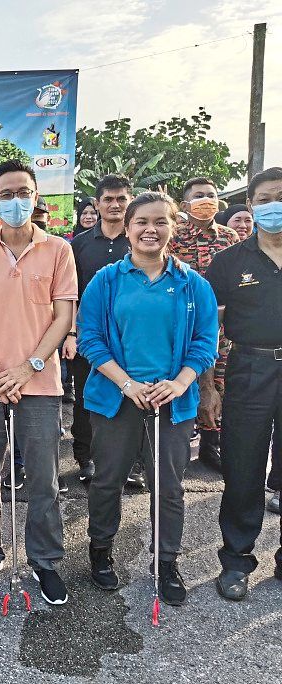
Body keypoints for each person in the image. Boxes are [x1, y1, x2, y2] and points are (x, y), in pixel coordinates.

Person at [78, 191, 218, 607]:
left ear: (174, 227)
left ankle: (166, 560)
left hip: (172, 401)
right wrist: (127, 384)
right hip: (116, 397)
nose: (150, 230)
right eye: (141, 222)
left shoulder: (193, 284)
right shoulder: (106, 280)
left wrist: (179, 383)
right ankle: (100, 551)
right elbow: (91, 339)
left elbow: (205, 343)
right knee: (107, 481)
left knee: (169, 487)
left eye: (161, 222)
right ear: (128, 227)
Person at [0, 159, 76, 605]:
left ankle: (44, 562)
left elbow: (62, 317)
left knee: (43, 480)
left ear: (37, 196)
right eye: (5, 194)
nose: (15, 201)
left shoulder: (59, 250)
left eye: (22, 192)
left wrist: (27, 369)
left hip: (40, 386)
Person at [205, 166, 282, 600]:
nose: (274, 206)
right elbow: (206, 327)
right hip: (249, 369)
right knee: (244, 468)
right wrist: (207, 387)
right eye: (266, 199)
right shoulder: (230, 261)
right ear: (251, 206)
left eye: (281, 196)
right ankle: (236, 561)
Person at [66, 175, 136, 485]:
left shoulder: (139, 239)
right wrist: (71, 333)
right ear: (97, 204)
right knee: (85, 399)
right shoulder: (79, 244)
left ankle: (129, 463)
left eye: (121, 199)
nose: (115, 205)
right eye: (108, 199)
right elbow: (69, 294)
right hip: (89, 337)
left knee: (130, 397)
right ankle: (86, 457)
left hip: (131, 337)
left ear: (129, 202)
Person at [168, 177, 239, 472]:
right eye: (199, 195)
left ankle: (212, 444)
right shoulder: (173, 236)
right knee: (181, 379)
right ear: (185, 205)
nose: (206, 200)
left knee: (219, 381)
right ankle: (178, 445)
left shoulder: (229, 237)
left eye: (211, 195)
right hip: (180, 324)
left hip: (220, 327)